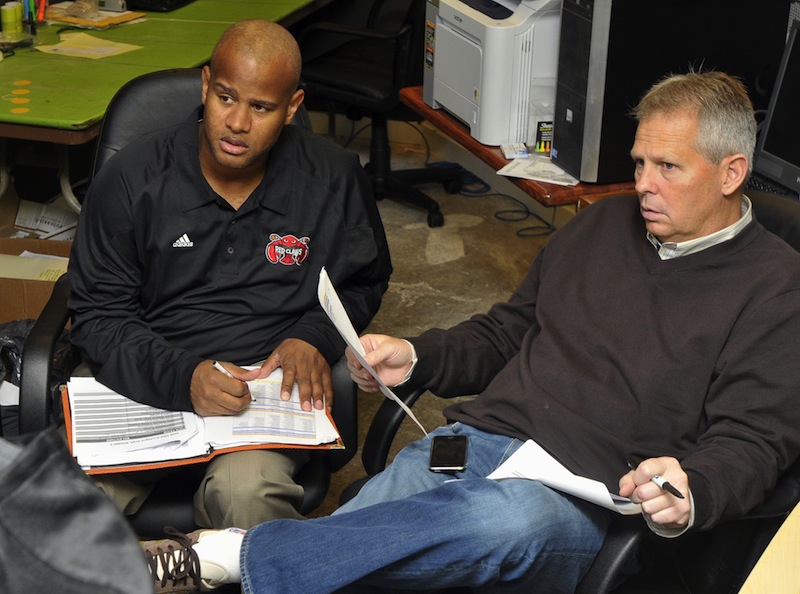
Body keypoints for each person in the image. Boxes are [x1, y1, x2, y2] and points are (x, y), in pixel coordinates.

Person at [142, 71, 800, 593]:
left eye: (668, 168)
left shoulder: (776, 286)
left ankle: (224, 556)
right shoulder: (602, 227)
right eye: (639, 163)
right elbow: (511, 331)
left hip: (585, 498)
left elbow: (756, 440)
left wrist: (695, 489)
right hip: (482, 443)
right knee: (356, 547)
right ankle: (234, 562)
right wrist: (417, 356)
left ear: (731, 172)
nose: (642, 186)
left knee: (498, 523)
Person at [67, 20, 391, 530]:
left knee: (249, 496)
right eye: (225, 98)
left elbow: (363, 279)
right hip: (147, 378)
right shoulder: (132, 178)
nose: (237, 123)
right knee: (58, 510)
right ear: (205, 86)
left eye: (261, 107)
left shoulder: (333, 177)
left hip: (262, 395)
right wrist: (182, 377)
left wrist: (314, 334)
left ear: (292, 108)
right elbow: (96, 314)